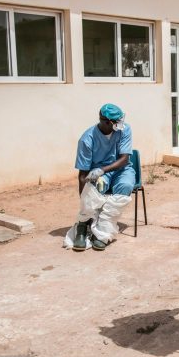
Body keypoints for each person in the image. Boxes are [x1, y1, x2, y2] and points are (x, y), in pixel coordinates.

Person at [73, 103, 135, 251]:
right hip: (99, 174)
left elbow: (124, 159)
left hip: (121, 169)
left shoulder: (124, 130)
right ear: (108, 122)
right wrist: (85, 199)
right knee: (95, 189)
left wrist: (102, 169)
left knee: (125, 186)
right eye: (118, 121)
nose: (121, 123)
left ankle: (103, 231)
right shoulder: (86, 139)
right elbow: (82, 174)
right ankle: (83, 226)